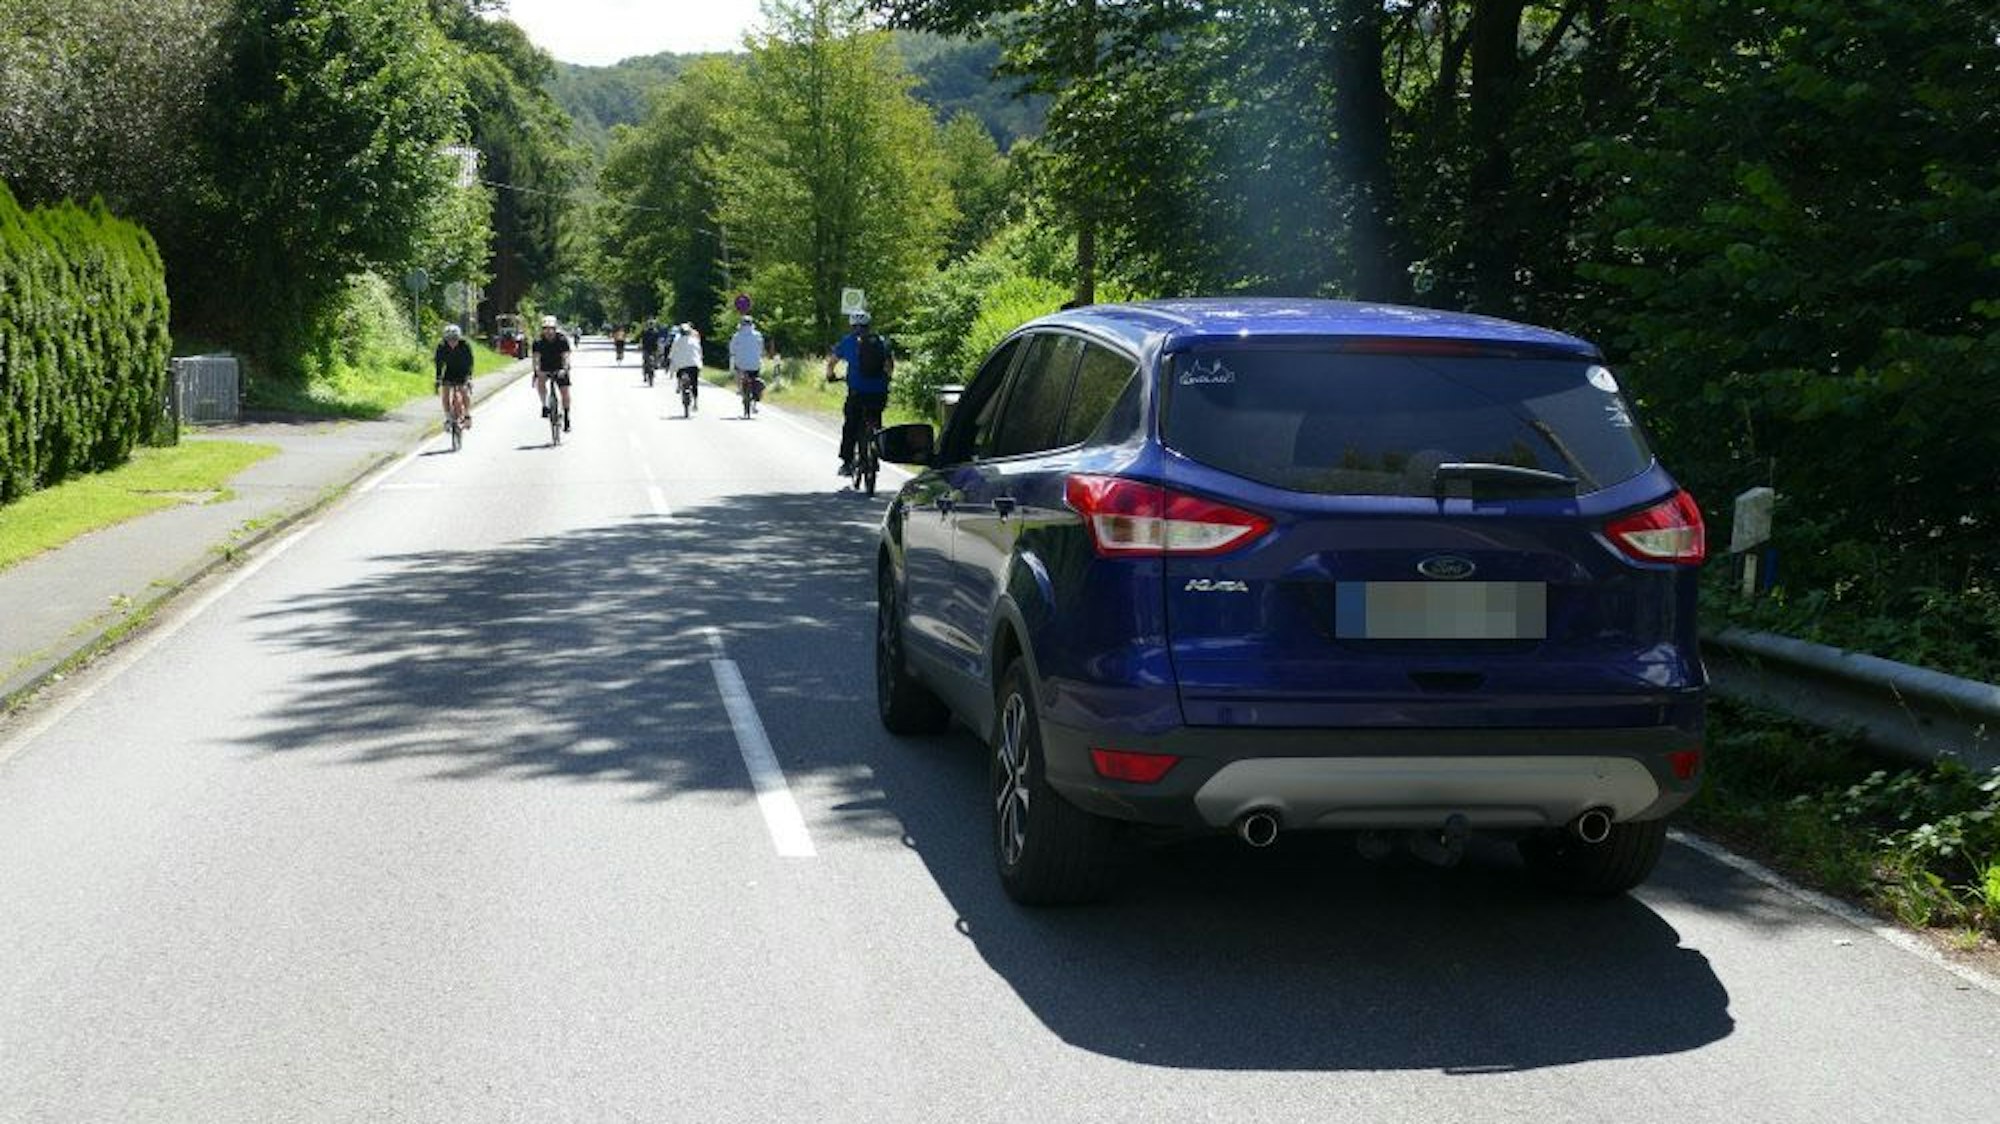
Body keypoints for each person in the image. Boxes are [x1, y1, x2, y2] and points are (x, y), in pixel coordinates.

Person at [825, 311, 892, 475]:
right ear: (869, 325)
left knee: (851, 425)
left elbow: (832, 362)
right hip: (879, 392)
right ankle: (875, 452)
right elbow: (889, 365)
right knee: (875, 419)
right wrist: (886, 380)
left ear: (852, 325)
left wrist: (831, 376)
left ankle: (847, 463)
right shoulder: (880, 341)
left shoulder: (848, 341)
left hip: (857, 392)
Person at [531, 314, 573, 431]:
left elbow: (566, 356)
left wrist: (564, 368)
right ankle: (544, 405)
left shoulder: (562, 340)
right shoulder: (538, 342)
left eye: (551, 329)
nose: (548, 332)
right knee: (540, 381)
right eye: (545, 329)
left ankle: (566, 417)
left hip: (559, 367)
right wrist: (537, 370)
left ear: (555, 329)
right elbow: (536, 358)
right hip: (545, 367)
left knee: (565, 391)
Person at [433, 323, 474, 430]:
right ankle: (447, 418)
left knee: (463, 390)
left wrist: (469, 377)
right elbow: (439, 364)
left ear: (459, 338)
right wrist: (438, 378)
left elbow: (470, 362)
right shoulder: (441, 347)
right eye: (449, 339)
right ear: (445, 339)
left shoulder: (465, 345)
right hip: (449, 372)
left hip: (463, 371)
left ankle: (467, 415)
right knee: (445, 393)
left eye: (455, 339)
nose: (452, 342)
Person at [729, 316, 765, 414]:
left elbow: (732, 350)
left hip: (741, 364)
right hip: (755, 364)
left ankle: (740, 389)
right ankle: (754, 403)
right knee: (755, 378)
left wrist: (736, 353)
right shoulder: (758, 335)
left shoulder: (736, 336)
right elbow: (761, 349)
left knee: (738, 372)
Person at [670, 321, 705, 411]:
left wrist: (671, 362)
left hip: (682, 366)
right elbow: (700, 352)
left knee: (679, 374)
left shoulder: (677, 341)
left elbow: (672, 354)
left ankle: (679, 385)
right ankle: (696, 403)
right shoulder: (695, 340)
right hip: (694, 365)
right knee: (694, 383)